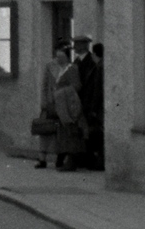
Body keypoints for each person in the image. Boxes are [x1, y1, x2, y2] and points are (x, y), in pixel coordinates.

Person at [36, 39, 72, 168]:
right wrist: (44, 102)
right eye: (58, 50)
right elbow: (44, 85)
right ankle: (42, 158)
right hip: (51, 102)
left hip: (63, 103)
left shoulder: (69, 66)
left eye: (62, 51)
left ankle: (60, 158)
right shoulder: (49, 65)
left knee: (61, 132)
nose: (60, 53)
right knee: (45, 130)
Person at [78, 37, 105, 170]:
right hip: (97, 106)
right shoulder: (100, 66)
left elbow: (97, 90)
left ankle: (98, 162)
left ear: (94, 54)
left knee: (97, 134)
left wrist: (93, 108)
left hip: (97, 107)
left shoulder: (99, 67)